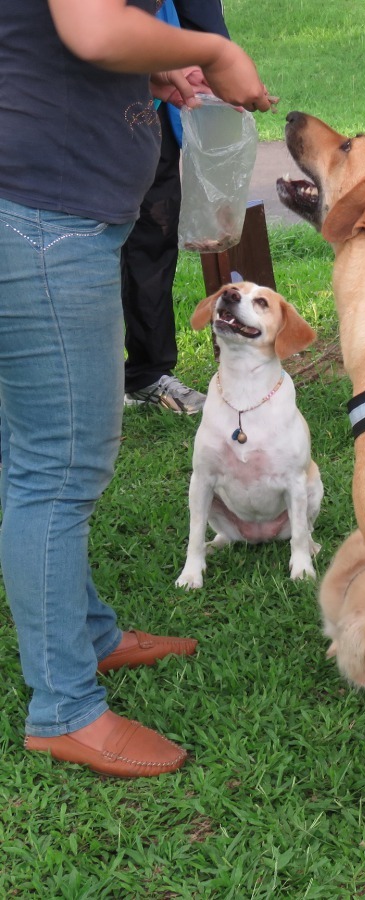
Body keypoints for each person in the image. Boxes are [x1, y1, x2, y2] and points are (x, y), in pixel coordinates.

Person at [0, 0, 273, 778]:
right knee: (58, 465)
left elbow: (56, 37)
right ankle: (64, 708)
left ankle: (85, 633)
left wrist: (148, 67)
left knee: (28, 448)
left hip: (32, 206)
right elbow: (90, 25)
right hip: (40, 216)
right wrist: (214, 51)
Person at [121, 0, 232, 415]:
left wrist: (214, 58)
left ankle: (148, 375)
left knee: (153, 233)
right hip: (66, 106)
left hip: (148, 97)